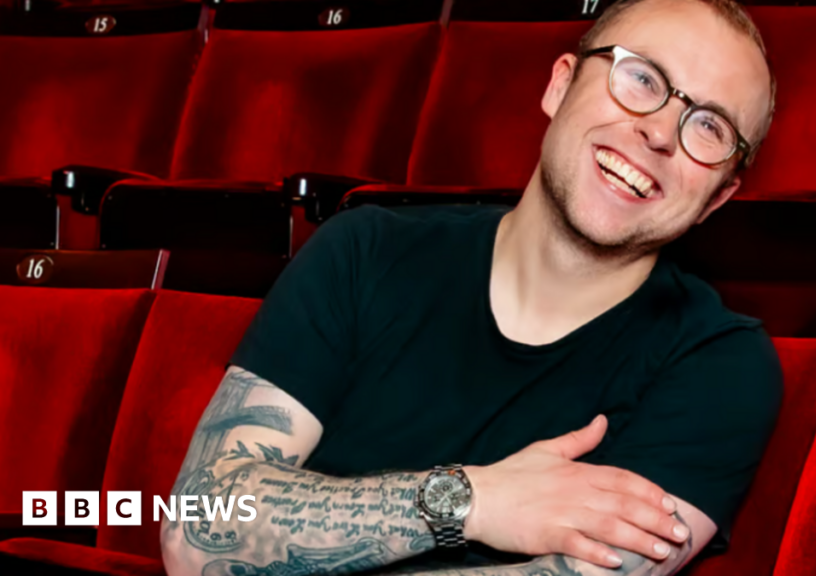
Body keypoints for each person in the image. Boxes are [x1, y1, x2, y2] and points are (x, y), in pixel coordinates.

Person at [161, 0, 780, 575]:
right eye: (641, 78)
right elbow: (193, 529)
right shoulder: (364, 251)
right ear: (560, 85)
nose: (661, 134)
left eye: (710, 128)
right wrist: (469, 499)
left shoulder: (721, 366)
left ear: (718, 198)